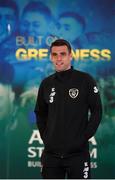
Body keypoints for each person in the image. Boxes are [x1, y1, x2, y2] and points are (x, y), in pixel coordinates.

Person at [34, 39, 102, 179]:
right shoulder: (46, 84)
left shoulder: (85, 80)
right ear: (51, 57)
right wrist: (46, 137)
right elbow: (40, 113)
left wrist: (84, 137)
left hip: (78, 155)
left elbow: (97, 111)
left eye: (63, 54)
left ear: (70, 56)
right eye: (55, 54)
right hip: (51, 156)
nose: (59, 58)